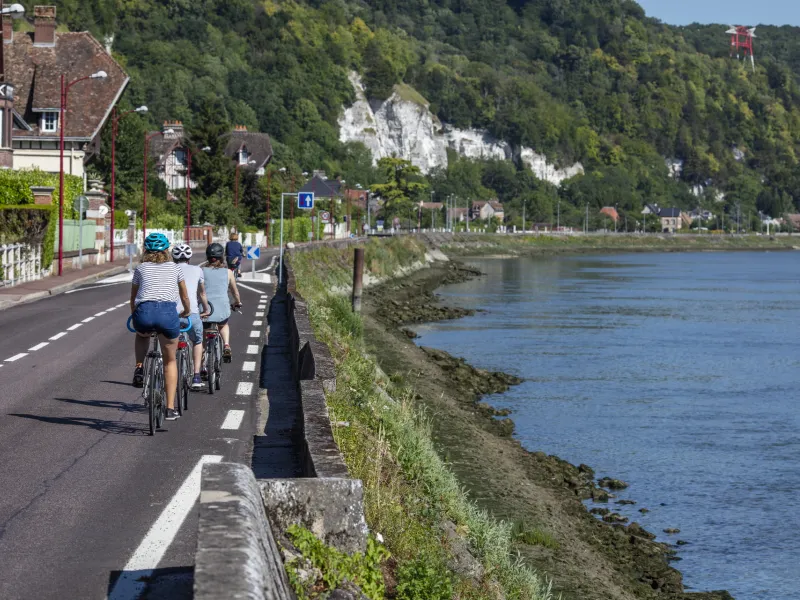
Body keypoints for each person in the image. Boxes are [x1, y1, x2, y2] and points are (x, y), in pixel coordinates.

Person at [131, 233, 191, 421]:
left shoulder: (140, 268)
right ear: (167, 250)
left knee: (142, 335)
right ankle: (171, 408)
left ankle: (139, 366)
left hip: (144, 311)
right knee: (170, 361)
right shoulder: (175, 268)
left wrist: (135, 315)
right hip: (167, 314)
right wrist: (187, 311)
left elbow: (133, 298)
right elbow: (184, 296)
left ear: (146, 250)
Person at [172, 243, 211, 390]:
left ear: (173, 257)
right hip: (192, 313)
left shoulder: (169, 270)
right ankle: (196, 376)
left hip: (172, 314)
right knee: (198, 341)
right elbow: (202, 294)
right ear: (189, 257)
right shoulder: (197, 270)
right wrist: (206, 309)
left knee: (167, 343)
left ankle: (168, 374)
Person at [203, 242, 242, 364]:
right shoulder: (228, 273)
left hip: (205, 309)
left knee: (204, 333)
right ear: (222, 257)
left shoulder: (200, 271)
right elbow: (235, 292)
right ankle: (226, 345)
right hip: (222, 308)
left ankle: (203, 364)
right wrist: (237, 302)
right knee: (223, 325)